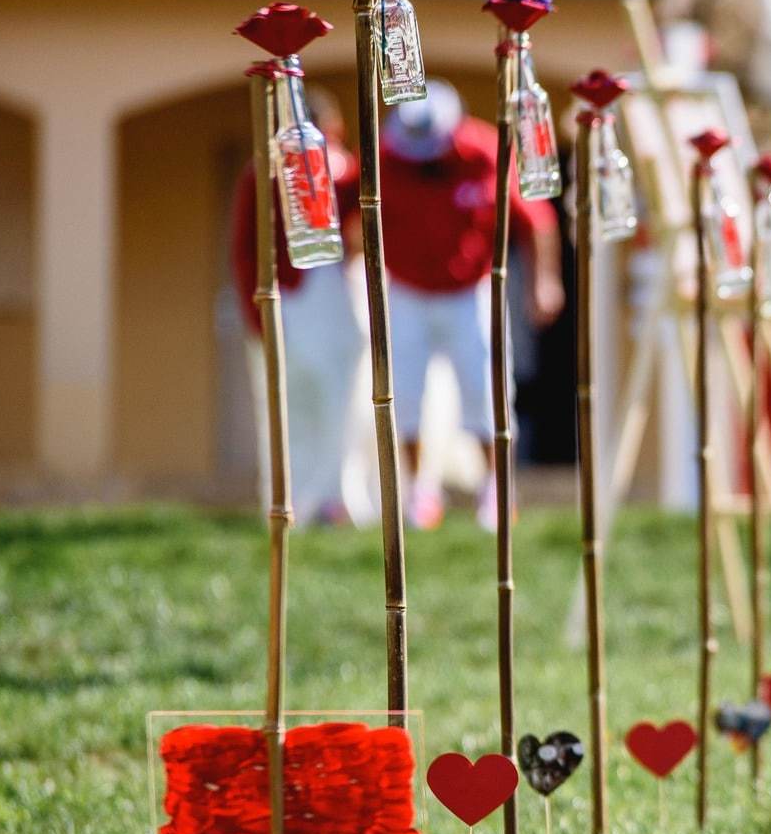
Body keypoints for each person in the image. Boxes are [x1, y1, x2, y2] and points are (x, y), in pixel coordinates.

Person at [381, 79, 564, 529]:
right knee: (403, 393)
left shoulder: (481, 152)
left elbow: (536, 220)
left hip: (469, 291)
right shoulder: (386, 158)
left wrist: (545, 281)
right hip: (406, 291)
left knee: (486, 389)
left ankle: (497, 488)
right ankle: (418, 491)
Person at [228, 88, 369, 526]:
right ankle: (291, 501)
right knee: (289, 405)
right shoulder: (262, 174)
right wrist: (258, 314)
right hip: (289, 298)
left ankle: (338, 497)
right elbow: (245, 247)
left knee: (343, 403)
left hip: (332, 295)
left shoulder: (344, 170)